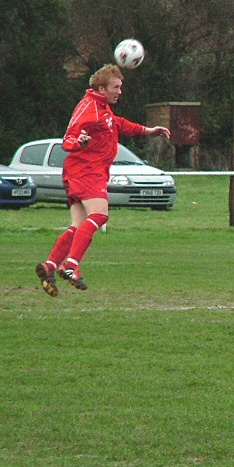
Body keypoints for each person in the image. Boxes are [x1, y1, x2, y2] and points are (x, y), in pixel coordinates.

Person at [35, 64, 171, 296]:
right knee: (100, 215)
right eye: (116, 87)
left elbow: (117, 124)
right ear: (101, 88)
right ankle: (71, 265)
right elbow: (67, 140)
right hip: (87, 171)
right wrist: (80, 142)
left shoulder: (102, 107)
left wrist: (148, 130)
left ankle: (50, 265)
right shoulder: (90, 109)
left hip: (82, 172)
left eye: (120, 87)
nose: (120, 92)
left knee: (78, 225)